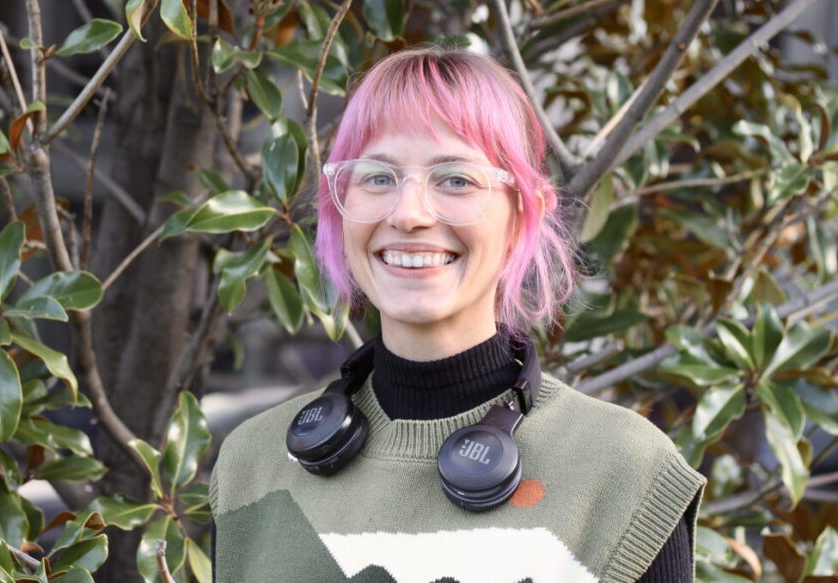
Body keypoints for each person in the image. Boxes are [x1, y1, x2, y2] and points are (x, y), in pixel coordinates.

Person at [209, 47, 706, 582]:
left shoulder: (622, 473)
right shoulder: (251, 467)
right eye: (378, 177)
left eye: (456, 179)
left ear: (523, 215)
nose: (409, 214)